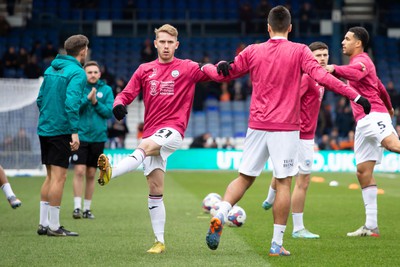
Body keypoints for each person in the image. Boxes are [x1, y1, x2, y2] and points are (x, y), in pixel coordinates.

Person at [200, 6, 370, 256]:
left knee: (244, 178)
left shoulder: (253, 50)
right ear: (290, 27)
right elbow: (323, 77)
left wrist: (207, 68)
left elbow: (225, 73)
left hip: (257, 125)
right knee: (283, 184)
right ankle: (276, 244)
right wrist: (355, 95)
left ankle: (222, 213)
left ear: (268, 27)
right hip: (286, 128)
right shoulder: (300, 51)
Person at [96, 24, 209, 254]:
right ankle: (159, 241)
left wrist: (225, 68)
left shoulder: (186, 67)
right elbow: (126, 93)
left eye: (170, 42)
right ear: (155, 43)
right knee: (155, 188)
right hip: (151, 131)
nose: (166, 46)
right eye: (162, 42)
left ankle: (112, 172)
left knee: (144, 146)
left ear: (176, 45)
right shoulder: (144, 69)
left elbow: (210, 71)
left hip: (173, 130)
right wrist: (118, 104)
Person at [325, 26, 400, 237]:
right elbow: (379, 86)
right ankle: (371, 226)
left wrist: (334, 69)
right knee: (363, 172)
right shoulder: (361, 64)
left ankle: (371, 226)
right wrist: (389, 104)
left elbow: (356, 72)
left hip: (374, 115)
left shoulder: (363, 62)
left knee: (393, 145)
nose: (343, 42)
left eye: (347, 39)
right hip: (363, 122)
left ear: (358, 43)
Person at [261, 41, 330, 240]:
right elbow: (290, 100)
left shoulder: (320, 78)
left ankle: (270, 197)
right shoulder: (307, 78)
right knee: (303, 180)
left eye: (325, 55)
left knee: (285, 171)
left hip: (304, 134)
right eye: (318, 55)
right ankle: (298, 228)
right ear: (310, 58)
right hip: (300, 135)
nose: (322, 58)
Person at [36, 34, 89, 237]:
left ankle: (43, 224)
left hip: (45, 128)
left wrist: (49, 116)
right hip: (61, 130)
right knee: (60, 177)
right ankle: (55, 226)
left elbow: (40, 99)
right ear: (83, 50)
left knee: (50, 176)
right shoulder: (77, 72)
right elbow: (72, 102)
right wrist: (74, 131)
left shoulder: (51, 68)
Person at [71, 61, 114, 220]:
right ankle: (77, 207)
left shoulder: (107, 90)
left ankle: (87, 209)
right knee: (79, 171)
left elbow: (109, 113)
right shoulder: (79, 88)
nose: (93, 75)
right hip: (80, 137)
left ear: (100, 74)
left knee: (91, 173)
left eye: (95, 72)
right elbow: (74, 109)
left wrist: (95, 102)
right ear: (85, 74)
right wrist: (88, 99)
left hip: (98, 137)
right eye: (89, 72)